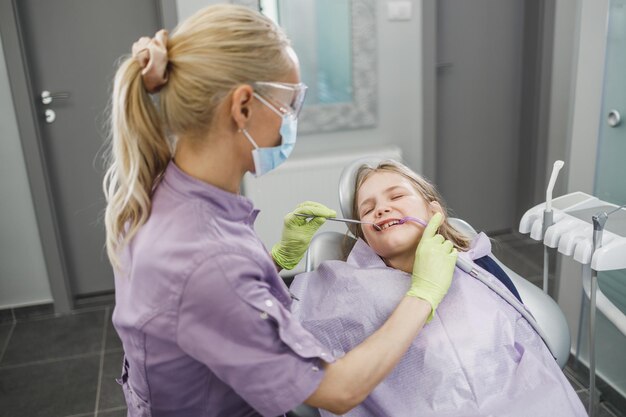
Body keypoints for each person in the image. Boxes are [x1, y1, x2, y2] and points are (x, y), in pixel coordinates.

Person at [103, 5, 459, 417]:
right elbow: (338, 391)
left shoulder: (166, 184)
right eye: (289, 105)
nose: (291, 120)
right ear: (242, 107)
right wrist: (424, 294)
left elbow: (216, 310)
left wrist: (273, 261)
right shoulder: (207, 258)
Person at [290, 160, 587, 417]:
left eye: (397, 196)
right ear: (363, 237)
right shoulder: (346, 287)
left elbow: (526, 344)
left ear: (434, 211)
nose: (381, 209)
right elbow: (286, 351)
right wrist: (277, 260)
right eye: (368, 209)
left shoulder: (475, 265)